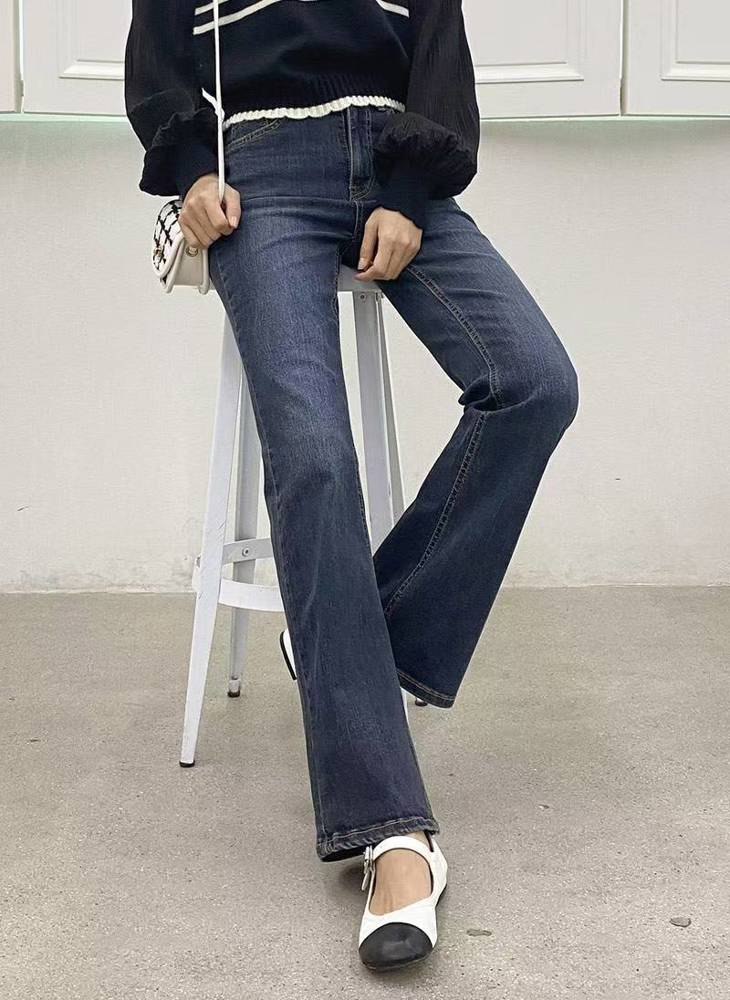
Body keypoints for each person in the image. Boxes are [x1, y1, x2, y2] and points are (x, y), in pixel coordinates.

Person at [124, 0, 580, 972]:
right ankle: (393, 837)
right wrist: (193, 169)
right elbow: (159, 44)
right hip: (261, 174)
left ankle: (347, 630)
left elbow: (439, 46)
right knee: (316, 461)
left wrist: (409, 192)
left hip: (390, 157)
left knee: (534, 382)